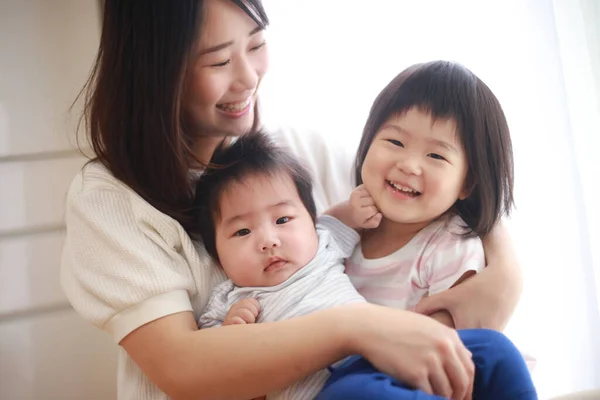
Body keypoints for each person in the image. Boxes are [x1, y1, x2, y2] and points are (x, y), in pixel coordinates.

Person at [60, 1, 523, 399]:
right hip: (335, 384)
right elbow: (183, 366)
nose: (248, 77)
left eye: (257, 45)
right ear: (155, 70)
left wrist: (505, 270)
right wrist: (357, 328)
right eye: (218, 61)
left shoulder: (288, 152)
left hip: (372, 368)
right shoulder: (111, 201)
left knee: (497, 355)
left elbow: (423, 187)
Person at [194, 130, 536, 400]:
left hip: (379, 359)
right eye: (241, 231)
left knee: (495, 350)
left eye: (283, 219)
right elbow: (214, 371)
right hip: (325, 391)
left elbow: (346, 216)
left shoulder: (323, 245)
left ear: (310, 221)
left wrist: (355, 208)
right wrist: (232, 333)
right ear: (216, 252)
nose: (268, 240)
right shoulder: (226, 300)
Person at [318, 60, 537, 399]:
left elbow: (447, 339)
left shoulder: (449, 241)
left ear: (467, 184)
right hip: (356, 370)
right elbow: (312, 248)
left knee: (497, 350)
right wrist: (344, 214)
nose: (408, 164)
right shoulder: (351, 226)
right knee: (348, 391)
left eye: (436, 156)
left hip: (426, 361)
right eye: (394, 141)